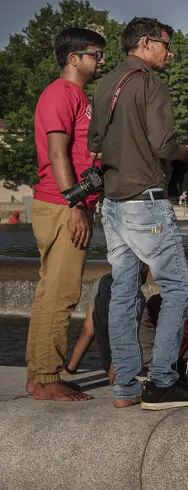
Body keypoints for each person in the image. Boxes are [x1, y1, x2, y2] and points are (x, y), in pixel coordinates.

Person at [88, 17, 188, 410]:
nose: (170, 53)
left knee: (123, 293)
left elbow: (95, 143)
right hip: (145, 200)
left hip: (113, 203)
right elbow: (161, 144)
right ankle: (163, 381)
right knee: (175, 289)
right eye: (166, 45)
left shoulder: (104, 84)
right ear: (145, 42)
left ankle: (125, 390)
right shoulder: (150, 83)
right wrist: (183, 152)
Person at [24, 27, 105, 402]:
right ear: (74, 58)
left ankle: (37, 377)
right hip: (62, 205)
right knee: (62, 293)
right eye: (95, 54)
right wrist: (76, 205)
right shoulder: (61, 93)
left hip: (62, 202)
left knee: (49, 293)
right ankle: (47, 377)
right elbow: (58, 152)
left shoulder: (75, 94)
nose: (100, 60)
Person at [64, 271, 188, 390]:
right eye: (145, 266)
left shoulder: (101, 283)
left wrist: (71, 369)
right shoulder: (129, 293)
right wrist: (116, 367)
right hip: (149, 364)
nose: (148, 271)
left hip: (125, 358)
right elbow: (121, 326)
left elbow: (88, 330)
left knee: (156, 300)